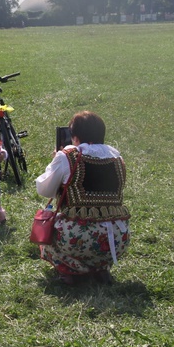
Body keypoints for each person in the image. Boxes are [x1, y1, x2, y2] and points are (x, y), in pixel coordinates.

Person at [35, 111, 131, 285]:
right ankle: (100, 268)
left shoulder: (68, 156)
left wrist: (55, 161)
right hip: (118, 239)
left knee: (47, 229)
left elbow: (45, 189)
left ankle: (69, 271)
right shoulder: (117, 158)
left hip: (78, 238)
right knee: (100, 232)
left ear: (76, 137)